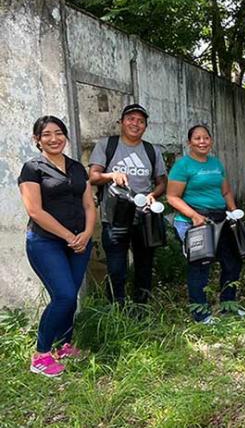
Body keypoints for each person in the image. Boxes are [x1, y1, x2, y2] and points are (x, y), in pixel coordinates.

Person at [19, 116, 96, 377]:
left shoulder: (76, 167)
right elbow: (35, 211)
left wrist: (86, 233)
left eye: (59, 133)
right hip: (46, 242)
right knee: (63, 295)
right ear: (37, 139)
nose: (54, 139)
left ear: (66, 136)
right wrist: (68, 236)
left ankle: (64, 346)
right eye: (47, 134)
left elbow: (88, 204)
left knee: (70, 297)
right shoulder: (32, 168)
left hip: (79, 242)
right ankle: (41, 355)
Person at [89, 104, 167, 305]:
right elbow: (94, 177)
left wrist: (152, 194)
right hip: (114, 219)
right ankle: (117, 308)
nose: (135, 124)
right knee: (116, 268)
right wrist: (111, 175)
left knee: (144, 266)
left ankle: (141, 308)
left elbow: (162, 182)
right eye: (131, 119)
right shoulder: (107, 145)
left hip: (144, 218)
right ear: (121, 122)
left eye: (140, 121)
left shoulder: (152, 150)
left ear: (145, 126)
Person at [166, 124, 245, 324]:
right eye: (197, 138)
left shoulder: (216, 163)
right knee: (200, 266)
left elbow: (226, 192)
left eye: (206, 138)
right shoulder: (183, 166)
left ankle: (229, 305)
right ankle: (200, 313)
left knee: (233, 261)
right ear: (189, 142)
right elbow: (172, 197)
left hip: (221, 218)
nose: (202, 142)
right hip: (196, 222)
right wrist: (193, 216)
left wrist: (234, 212)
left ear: (211, 140)